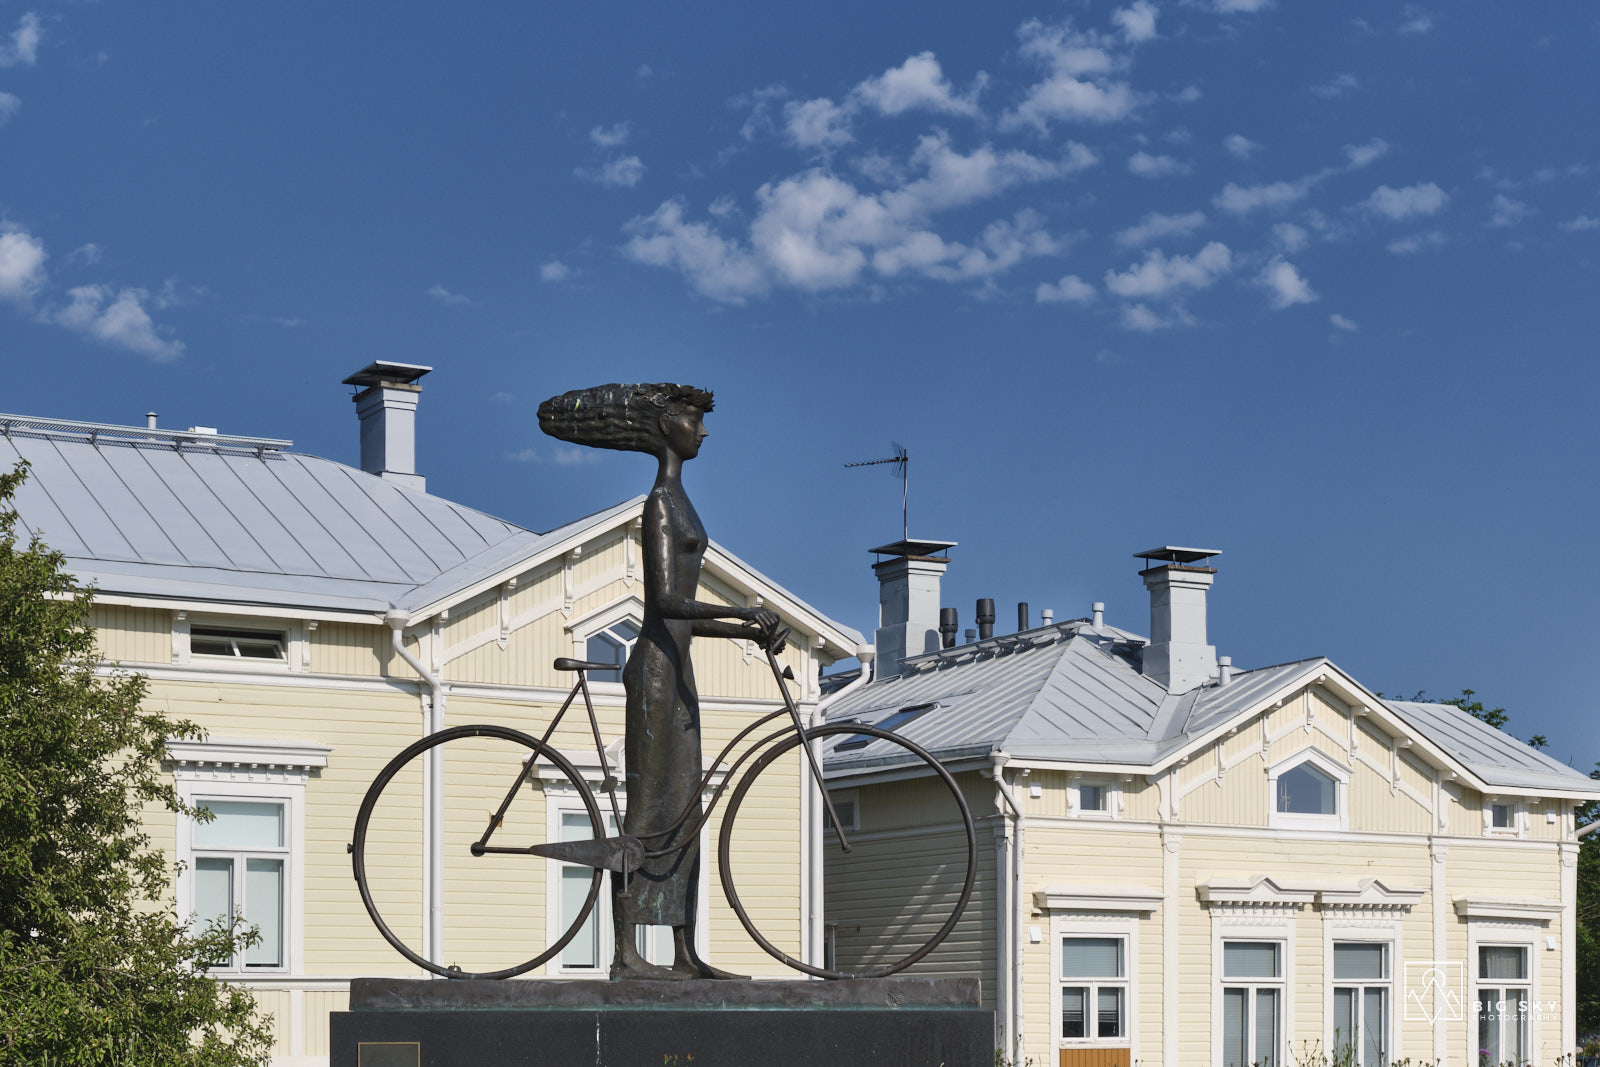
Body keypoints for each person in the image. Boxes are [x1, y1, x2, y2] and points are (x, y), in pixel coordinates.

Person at [538, 383, 782, 980]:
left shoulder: (682, 501)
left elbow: (682, 619)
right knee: (649, 812)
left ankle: (683, 952)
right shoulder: (660, 504)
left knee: (685, 815)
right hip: (654, 674)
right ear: (666, 423)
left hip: (678, 673)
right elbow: (665, 602)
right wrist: (742, 611)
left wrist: (742, 631)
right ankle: (625, 953)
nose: (703, 431)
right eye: (694, 420)